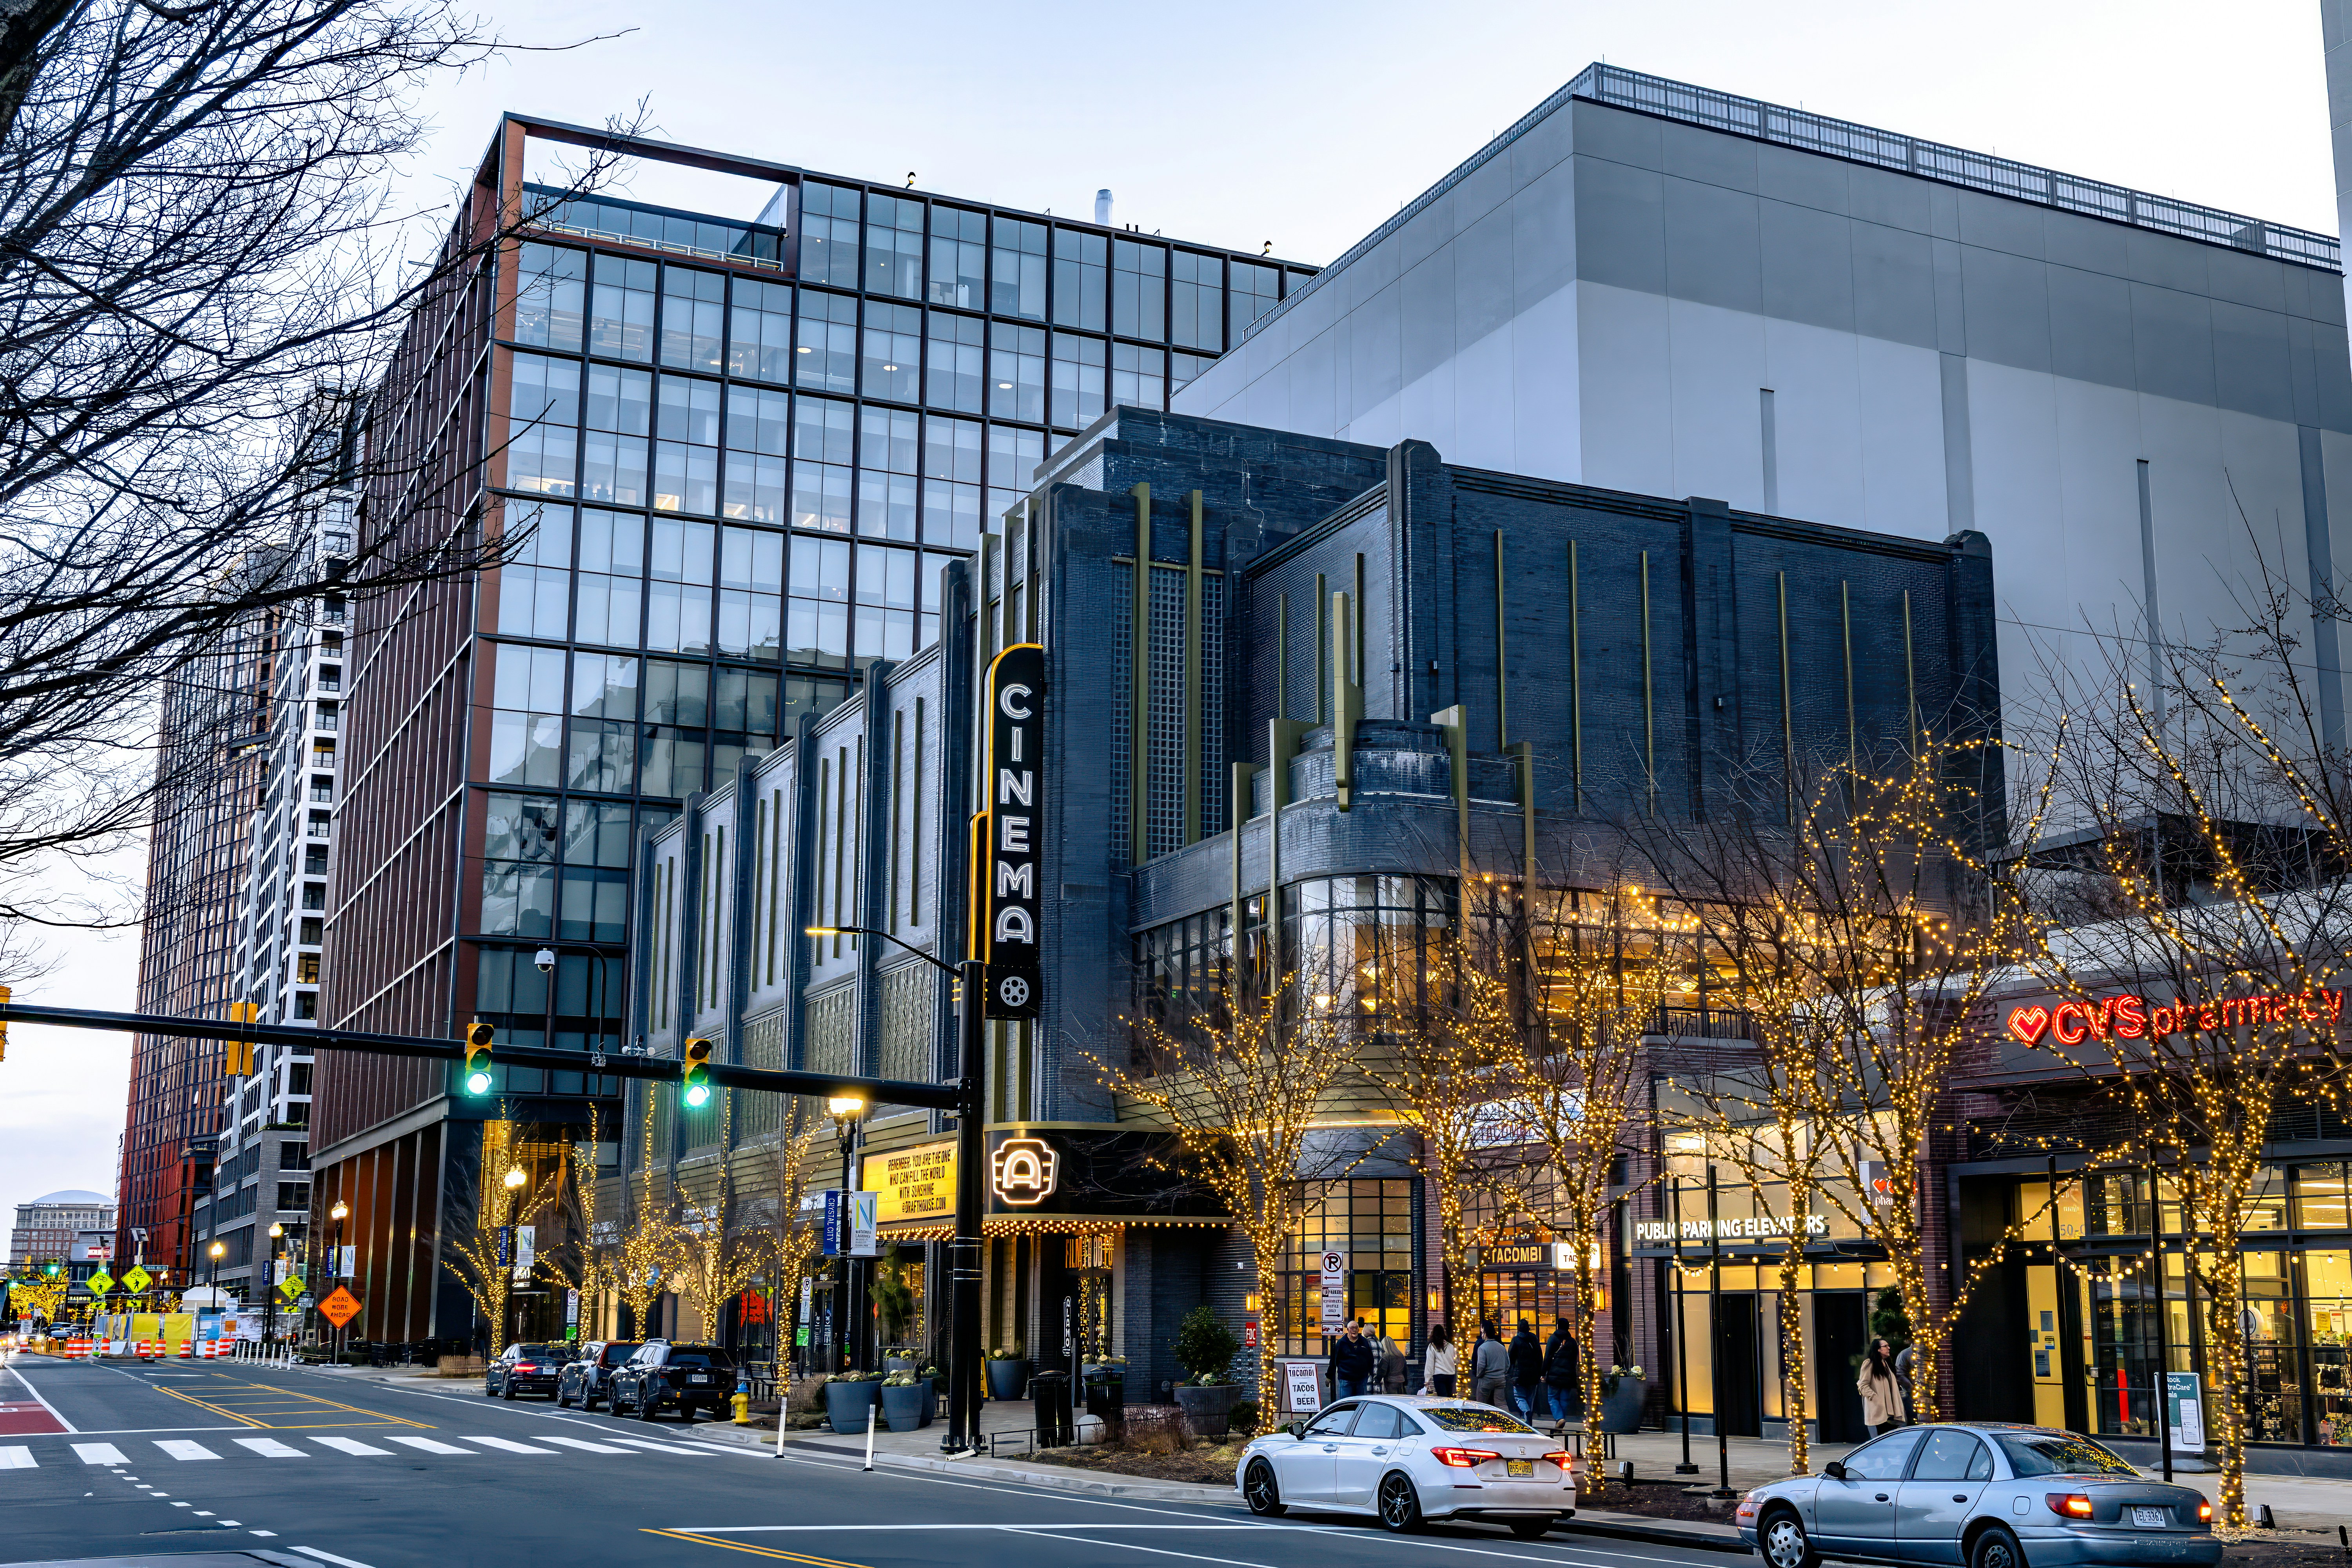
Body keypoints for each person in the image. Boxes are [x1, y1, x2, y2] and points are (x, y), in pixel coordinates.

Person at [1858, 1337, 1903, 1436]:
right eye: (1885, 1346)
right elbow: (1863, 1384)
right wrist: (1875, 1398)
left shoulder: (1886, 1364)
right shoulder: (1870, 1363)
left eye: (1888, 1346)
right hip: (1878, 1410)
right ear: (1878, 1349)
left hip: (1889, 1412)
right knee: (1879, 1439)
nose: (1888, 1348)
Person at [1541, 1316, 1580, 1430]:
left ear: (1558, 1326)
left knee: (1553, 1398)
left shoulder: (1553, 1339)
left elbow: (1548, 1357)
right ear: (1568, 1328)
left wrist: (1543, 1373)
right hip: (1569, 1376)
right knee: (1564, 1399)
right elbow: (1575, 1360)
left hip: (1555, 1375)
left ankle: (1559, 1419)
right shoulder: (1573, 1342)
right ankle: (1561, 1421)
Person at [1329, 1317, 1376, 1399]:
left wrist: (1371, 1373)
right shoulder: (1342, 1343)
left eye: (1356, 1328)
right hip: (1346, 1378)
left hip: (1362, 1379)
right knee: (1346, 1404)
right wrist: (1329, 1376)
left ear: (1359, 1330)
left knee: (1360, 1403)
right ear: (1348, 1329)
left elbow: (1370, 1358)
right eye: (1352, 1328)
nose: (1354, 1330)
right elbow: (1334, 1360)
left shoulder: (1364, 1341)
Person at [1507, 1318, 1543, 1421]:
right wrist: (1540, 1372)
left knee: (1519, 1396)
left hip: (1520, 1374)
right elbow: (1540, 1357)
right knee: (1530, 1398)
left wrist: (1510, 1373)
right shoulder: (1534, 1338)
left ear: (1518, 1329)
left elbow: (1511, 1358)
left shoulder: (1516, 1340)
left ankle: (1526, 1411)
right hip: (1533, 1374)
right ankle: (1529, 1418)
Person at [1471, 1319, 1510, 1408]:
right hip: (1500, 1379)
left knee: (1481, 1403)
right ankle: (1505, 1420)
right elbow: (1508, 1364)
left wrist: (1479, 1376)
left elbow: (1481, 1366)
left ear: (1485, 1333)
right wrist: (1503, 1374)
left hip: (1487, 1380)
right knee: (1501, 1403)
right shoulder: (1501, 1347)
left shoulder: (1482, 1348)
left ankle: (1483, 1419)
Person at [1423, 1323, 1457, 1397]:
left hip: (1439, 1375)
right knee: (1450, 1397)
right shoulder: (1451, 1346)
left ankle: (1445, 1409)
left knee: (1442, 1397)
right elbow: (1456, 1360)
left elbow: (1430, 1363)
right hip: (1451, 1375)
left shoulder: (1432, 1347)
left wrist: (1427, 1379)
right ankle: (1450, 1409)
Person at [1375, 1326, 1408, 1394]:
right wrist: (1405, 1381)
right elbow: (1405, 1370)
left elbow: (1382, 1371)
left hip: (1390, 1383)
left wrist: (1377, 1380)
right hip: (1401, 1381)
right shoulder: (1401, 1355)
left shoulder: (1386, 1357)